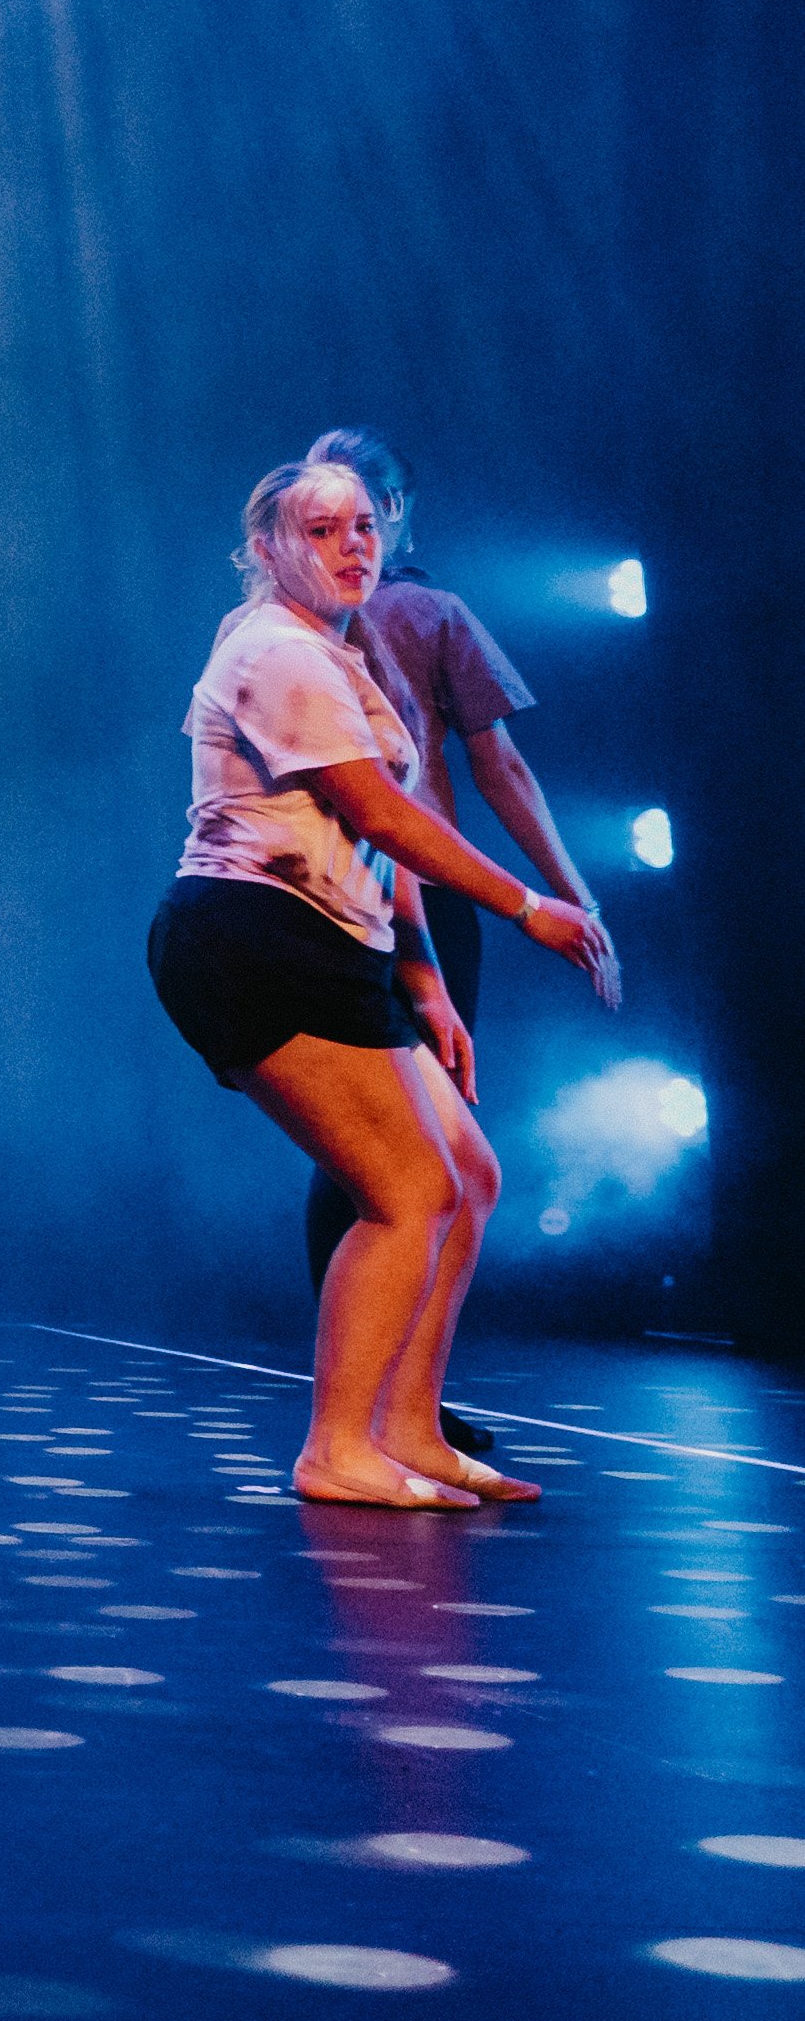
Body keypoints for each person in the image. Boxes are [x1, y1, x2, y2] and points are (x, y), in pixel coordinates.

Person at [150, 453, 601, 1507]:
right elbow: (385, 815)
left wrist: (426, 979)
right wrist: (527, 903)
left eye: (362, 527)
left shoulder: (339, 652)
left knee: (468, 1178)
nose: (353, 545)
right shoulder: (275, 650)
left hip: (331, 938)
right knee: (406, 1191)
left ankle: (410, 1430)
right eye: (321, 530)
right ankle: (334, 1448)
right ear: (267, 551)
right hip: (249, 936)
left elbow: (381, 854)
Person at [291, 429, 620, 1398]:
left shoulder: (297, 624)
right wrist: (569, 894)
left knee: (364, 1138)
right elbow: (498, 767)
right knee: (412, 1146)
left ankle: (370, 1390)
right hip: (417, 886)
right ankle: (383, 1395)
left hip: (334, 891)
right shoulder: (415, 613)